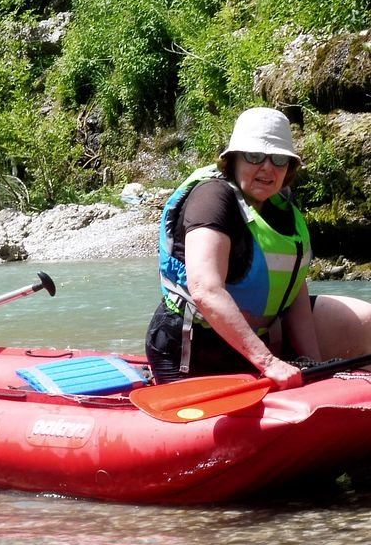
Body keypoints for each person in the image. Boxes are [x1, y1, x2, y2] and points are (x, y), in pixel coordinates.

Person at [147, 106, 371, 387]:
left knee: (366, 319)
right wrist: (268, 362)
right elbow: (205, 289)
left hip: (257, 342)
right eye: (254, 156)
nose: (267, 167)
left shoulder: (281, 209)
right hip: (194, 350)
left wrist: (312, 365)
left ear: (289, 168)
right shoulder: (212, 199)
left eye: (278, 159)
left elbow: (294, 291)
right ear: (233, 160)